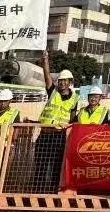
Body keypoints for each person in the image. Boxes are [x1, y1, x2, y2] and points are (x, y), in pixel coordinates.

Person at [33, 51, 78, 193]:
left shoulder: (75, 99)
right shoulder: (52, 91)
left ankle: (52, 191)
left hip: (59, 136)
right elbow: (47, 76)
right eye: (60, 80)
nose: (62, 83)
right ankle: (37, 191)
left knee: (56, 166)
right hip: (45, 133)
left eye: (65, 81)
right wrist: (46, 60)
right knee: (40, 164)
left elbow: (72, 117)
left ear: (70, 83)